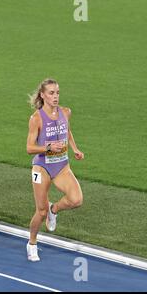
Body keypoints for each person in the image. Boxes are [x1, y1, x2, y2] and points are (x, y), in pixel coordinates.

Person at [26, 78, 84, 261]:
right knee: (40, 211)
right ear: (43, 95)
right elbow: (29, 148)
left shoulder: (65, 112)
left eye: (57, 92)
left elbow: (67, 131)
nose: (55, 96)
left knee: (76, 200)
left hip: (61, 165)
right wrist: (49, 147)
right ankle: (32, 243)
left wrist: (74, 148)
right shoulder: (36, 118)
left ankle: (55, 209)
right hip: (42, 166)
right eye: (51, 93)